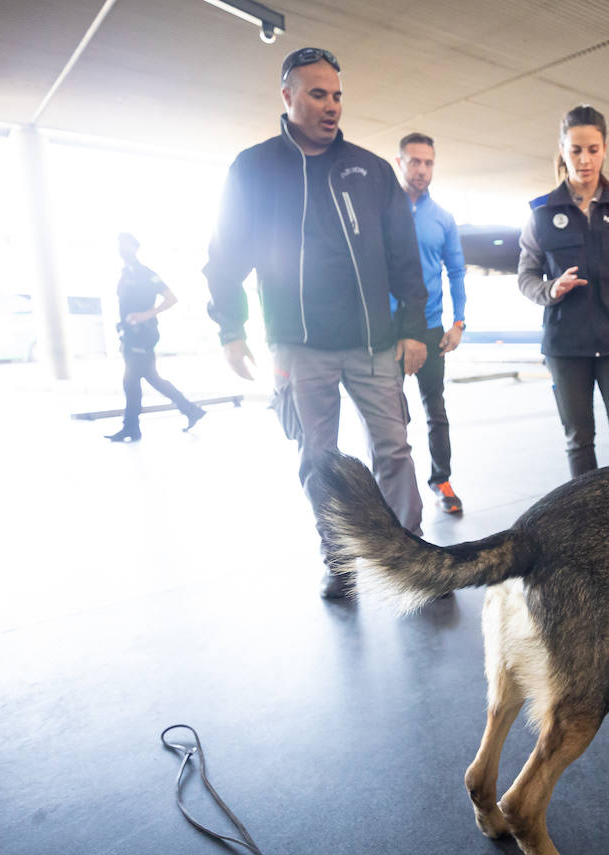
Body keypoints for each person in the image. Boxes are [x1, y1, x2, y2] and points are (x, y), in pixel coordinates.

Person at [203, 47, 429, 599]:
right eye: (317, 94)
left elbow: (405, 256)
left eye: (337, 96)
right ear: (288, 96)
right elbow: (225, 256)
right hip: (298, 346)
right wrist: (232, 329)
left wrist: (413, 327)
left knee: (393, 449)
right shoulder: (253, 169)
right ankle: (342, 557)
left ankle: (411, 555)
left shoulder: (372, 172)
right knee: (318, 458)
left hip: (374, 343)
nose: (331, 107)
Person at [516, 104, 609, 478]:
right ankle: (586, 531)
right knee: (578, 442)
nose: (584, 159)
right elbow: (525, 279)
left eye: (593, 149)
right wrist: (552, 289)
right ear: (563, 150)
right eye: (576, 150)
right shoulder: (541, 214)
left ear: (604, 149)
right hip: (566, 349)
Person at [395, 132, 467, 515]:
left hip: (430, 329)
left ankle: (441, 479)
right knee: (393, 414)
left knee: (435, 410)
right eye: (414, 161)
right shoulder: (384, 212)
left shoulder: (442, 219)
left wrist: (458, 323)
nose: (422, 170)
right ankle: (395, 487)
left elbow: (456, 273)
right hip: (389, 329)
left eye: (428, 163)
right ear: (400, 163)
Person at [105, 232, 205, 442]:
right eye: (119, 245)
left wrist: (146, 315)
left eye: (125, 245)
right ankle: (190, 410)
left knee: (132, 381)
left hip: (144, 335)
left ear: (134, 247)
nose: (121, 249)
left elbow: (171, 298)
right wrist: (123, 339)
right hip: (130, 336)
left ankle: (132, 427)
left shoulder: (146, 274)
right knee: (150, 378)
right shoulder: (124, 275)